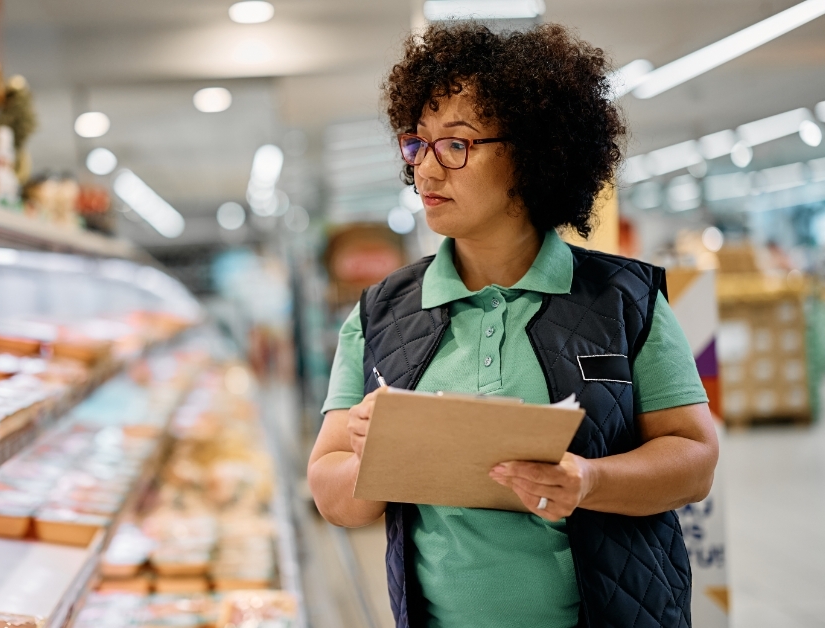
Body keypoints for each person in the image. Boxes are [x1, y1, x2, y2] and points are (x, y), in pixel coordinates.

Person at [307, 23, 719, 628]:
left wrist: (590, 480)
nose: (425, 172)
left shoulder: (624, 299)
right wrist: (378, 458)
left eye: (456, 144)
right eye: (418, 144)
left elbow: (695, 460)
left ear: (533, 153)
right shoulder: (380, 315)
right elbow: (331, 492)